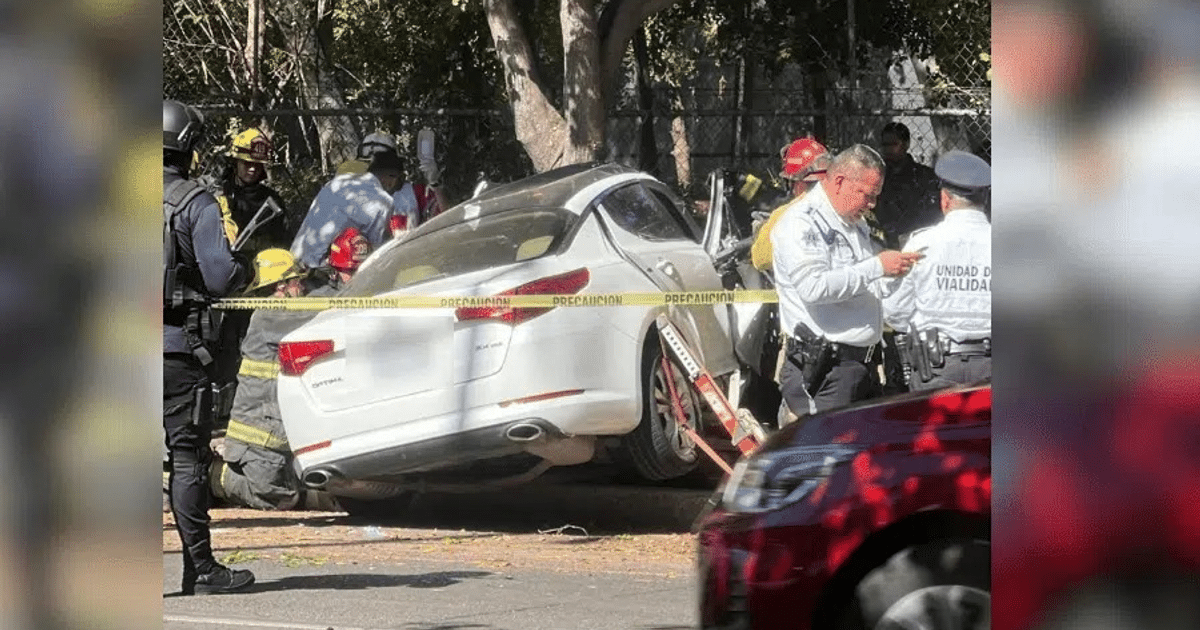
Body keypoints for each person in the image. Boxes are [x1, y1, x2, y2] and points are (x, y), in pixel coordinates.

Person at [162, 99, 255, 595]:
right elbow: (221, 278)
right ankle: (199, 569)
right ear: (189, 148)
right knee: (187, 460)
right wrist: (247, 268)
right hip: (178, 350)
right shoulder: (195, 202)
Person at [771, 144, 923, 420]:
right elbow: (813, 287)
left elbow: (864, 282)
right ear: (839, 182)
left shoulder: (854, 223)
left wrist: (891, 276)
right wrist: (876, 266)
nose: (872, 204)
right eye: (867, 195)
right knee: (822, 458)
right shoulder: (800, 222)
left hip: (860, 366)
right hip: (825, 370)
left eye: (876, 196)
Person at [211, 250, 323, 510]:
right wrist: (357, 286)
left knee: (293, 493)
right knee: (277, 499)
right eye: (298, 281)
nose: (303, 287)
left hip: (273, 434)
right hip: (258, 439)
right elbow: (327, 307)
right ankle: (210, 475)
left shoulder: (276, 311)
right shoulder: (272, 313)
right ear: (281, 286)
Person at [204, 128, 292, 437]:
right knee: (225, 354)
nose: (252, 169)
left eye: (257, 165)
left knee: (261, 356)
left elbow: (285, 247)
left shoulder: (274, 203)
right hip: (227, 291)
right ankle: (221, 417)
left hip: (264, 292)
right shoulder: (218, 199)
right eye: (246, 163)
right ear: (235, 162)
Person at [883, 150, 991, 390]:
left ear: (944, 200)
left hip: (936, 366)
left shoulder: (922, 244)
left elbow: (895, 312)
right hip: (992, 366)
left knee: (935, 429)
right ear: (984, 200)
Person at [289, 149, 404, 268]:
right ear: (392, 177)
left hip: (295, 260)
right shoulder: (383, 201)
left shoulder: (336, 183)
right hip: (326, 268)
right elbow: (375, 251)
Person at [750, 137, 831, 271]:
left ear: (796, 180)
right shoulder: (852, 206)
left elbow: (761, 260)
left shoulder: (785, 215)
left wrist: (761, 229)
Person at [874, 122, 942, 248]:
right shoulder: (877, 176)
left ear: (906, 144)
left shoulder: (925, 177)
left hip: (917, 240)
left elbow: (933, 215)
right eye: (885, 145)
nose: (888, 150)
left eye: (894, 144)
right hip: (882, 242)